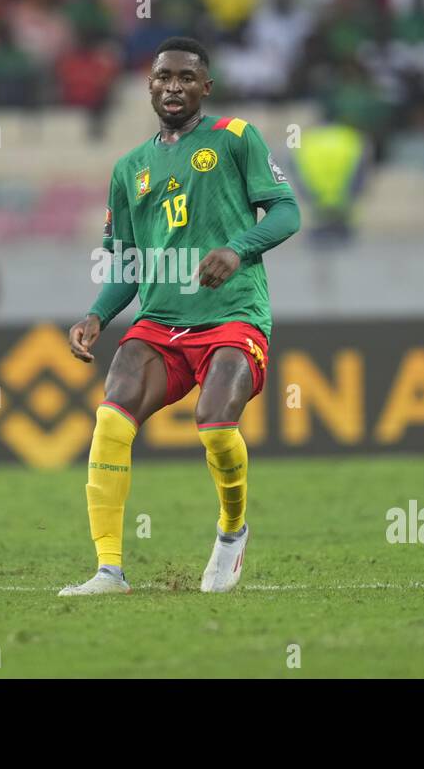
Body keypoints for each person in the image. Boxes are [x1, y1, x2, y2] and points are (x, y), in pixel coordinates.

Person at [62, 37, 301, 596]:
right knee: (109, 422)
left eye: (186, 78)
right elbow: (126, 263)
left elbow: (287, 211)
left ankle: (231, 532)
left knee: (216, 428)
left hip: (233, 316)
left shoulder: (235, 138)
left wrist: (236, 249)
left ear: (205, 87)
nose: (174, 86)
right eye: (163, 77)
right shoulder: (129, 169)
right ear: (148, 86)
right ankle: (109, 571)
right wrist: (97, 316)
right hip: (161, 323)